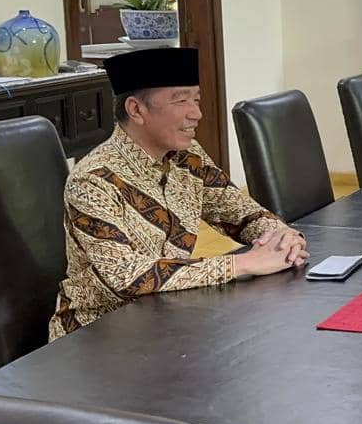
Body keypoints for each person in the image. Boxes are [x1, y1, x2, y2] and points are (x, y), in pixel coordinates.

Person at [49, 48, 309, 340]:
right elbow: (126, 275)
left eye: (196, 99)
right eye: (181, 100)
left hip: (166, 319)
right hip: (97, 335)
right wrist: (244, 263)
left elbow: (240, 213)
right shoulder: (92, 180)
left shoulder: (187, 157)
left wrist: (281, 237)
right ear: (136, 110)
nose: (196, 114)